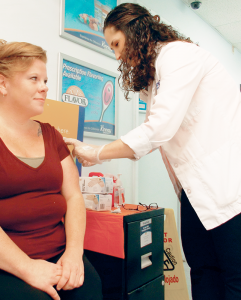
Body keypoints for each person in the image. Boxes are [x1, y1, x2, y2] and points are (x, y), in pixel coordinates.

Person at [64, 3, 241, 300]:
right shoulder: (154, 77)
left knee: (234, 277)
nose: (117, 55)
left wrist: (96, 153)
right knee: (202, 271)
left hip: (226, 186)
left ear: (135, 31)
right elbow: (149, 138)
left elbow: (157, 131)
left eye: (117, 44)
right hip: (194, 191)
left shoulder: (180, 55)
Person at [0, 30, 102, 300]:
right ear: (3, 84)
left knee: (91, 288)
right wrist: (27, 267)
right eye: (34, 79)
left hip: (54, 255)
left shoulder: (51, 134)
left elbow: (74, 196)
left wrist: (74, 253)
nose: (44, 87)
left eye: (45, 80)